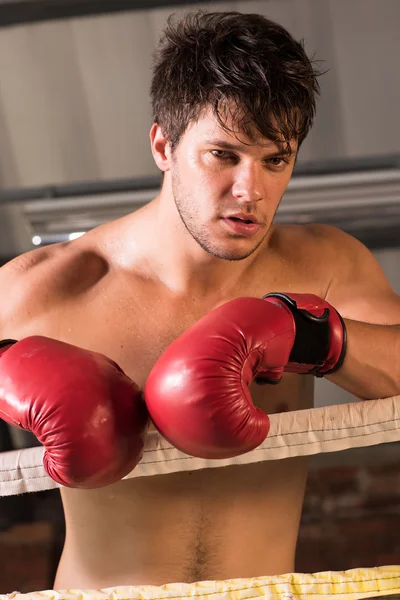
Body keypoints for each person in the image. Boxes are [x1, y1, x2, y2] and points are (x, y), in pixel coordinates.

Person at [0, 10, 399, 591]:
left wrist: (316, 337)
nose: (250, 191)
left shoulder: (324, 267)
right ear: (164, 144)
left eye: (275, 160)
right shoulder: (49, 286)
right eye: (224, 154)